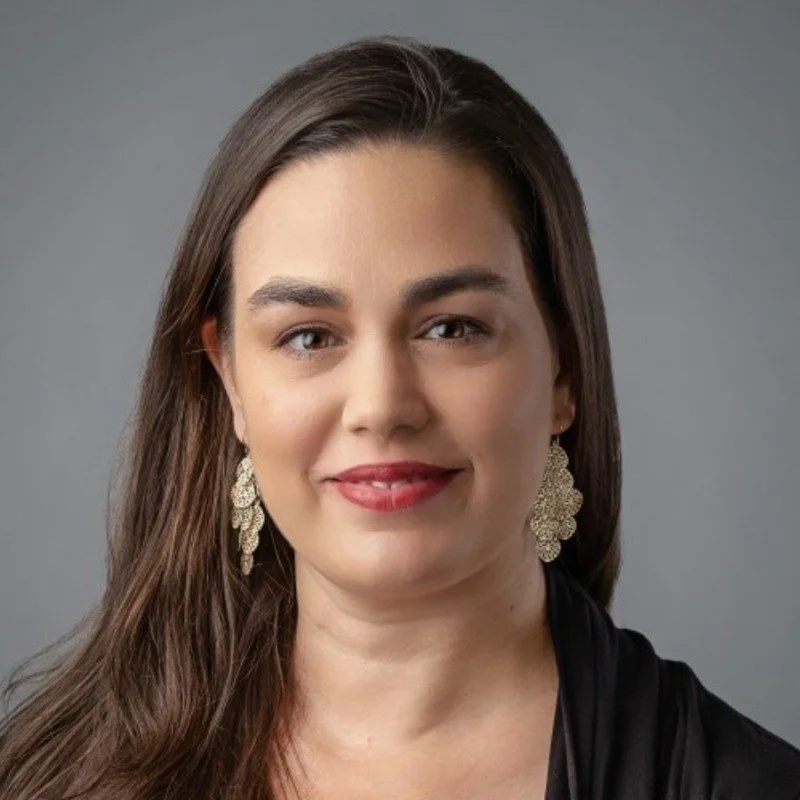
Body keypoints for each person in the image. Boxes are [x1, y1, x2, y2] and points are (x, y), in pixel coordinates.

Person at [1, 33, 798, 800]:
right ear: (231, 382)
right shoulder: (43, 779)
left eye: (452, 328)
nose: (382, 406)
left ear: (565, 367)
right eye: (308, 336)